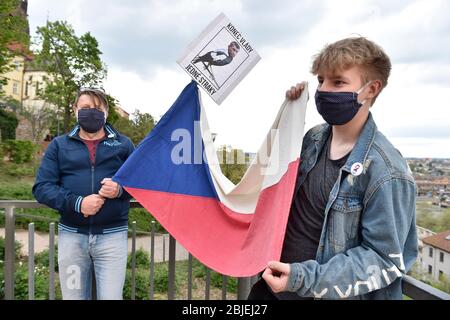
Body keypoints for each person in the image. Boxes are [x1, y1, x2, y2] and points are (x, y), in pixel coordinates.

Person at [248, 37, 418, 300]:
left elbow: (383, 259)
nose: (324, 90)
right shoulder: (313, 138)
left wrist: (301, 278)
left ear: (371, 89)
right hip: (272, 288)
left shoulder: (387, 171)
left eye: (338, 82)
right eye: (320, 80)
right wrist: (290, 112)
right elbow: (275, 185)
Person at [32, 88, 135, 300]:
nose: (92, 112)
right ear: (75, 109)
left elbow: (141, 184)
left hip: (112, 239)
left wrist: (119, 190)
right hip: (72, 240)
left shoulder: (124, 145)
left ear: (106, 112)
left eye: (97, 108)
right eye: (85, 108)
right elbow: (42, 187)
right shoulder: (59, 145)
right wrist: (78, 203)